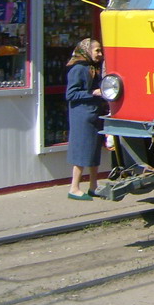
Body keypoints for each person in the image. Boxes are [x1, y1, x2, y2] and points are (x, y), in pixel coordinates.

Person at [66, 38, 106, 200]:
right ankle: (74, 188)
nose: (100, 54)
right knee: (82, 151)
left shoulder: (93, 68)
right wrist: (93, 93)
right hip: (82, 116)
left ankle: (93, 185)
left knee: (94, 151)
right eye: (97, 50)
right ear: (86, 51)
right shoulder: (78, 69)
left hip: (94, 114)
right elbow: (71, 94)